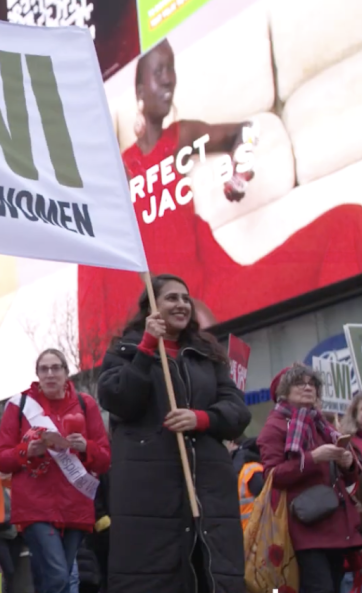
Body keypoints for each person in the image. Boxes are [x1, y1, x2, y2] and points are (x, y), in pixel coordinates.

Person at [78, 37, 362, 350]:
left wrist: (241, 164)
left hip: (216, 285)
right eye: (158, 71)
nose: (168, 78)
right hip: (164, 309)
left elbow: (247, 132)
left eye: (170, 69)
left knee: (345, 224)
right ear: (140, 90)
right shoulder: (119, 171)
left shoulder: (180, 135)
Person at [97, 273, 251, 593]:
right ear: (150, 307)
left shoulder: (206, 355)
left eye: (185, 298)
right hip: (150, 497)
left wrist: (203, 419)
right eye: (171, 298)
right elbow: (118, 400)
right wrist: (146, 348)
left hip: (207, 494)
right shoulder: (124, 351)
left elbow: (238, 411)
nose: (181, 304)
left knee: (210, 577)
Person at [0, 348, 111, 593]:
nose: (50, 374)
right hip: (34, 508)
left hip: (75, 506)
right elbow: (1, 459)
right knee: (57, 577)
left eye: (55, 368)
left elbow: (104, 459)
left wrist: (85, 447)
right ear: (37, 374)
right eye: (44, 369)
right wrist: (27, 451)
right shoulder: (20, 406)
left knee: (59, 579)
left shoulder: (85, 404)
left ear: (67, 373)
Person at [256, 365, 362, 593]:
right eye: (299, 383)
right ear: (283, 391)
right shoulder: (274, 427)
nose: (307, 387)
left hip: (335, 524)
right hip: (304, 528)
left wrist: (348, 463)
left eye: (312, 383)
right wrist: (313, 457)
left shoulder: (322, 424)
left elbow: (350, 475)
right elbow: (273, 476)